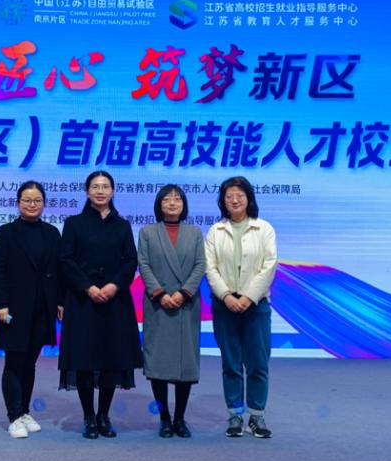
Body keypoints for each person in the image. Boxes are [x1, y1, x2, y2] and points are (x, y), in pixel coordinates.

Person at [58, 170, 142, 439]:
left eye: (105, 186)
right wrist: (89, 287)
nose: (100, 191)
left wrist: (114, 285)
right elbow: (66, 260)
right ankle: (88, 417)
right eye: (95, 186)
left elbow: (131, 261)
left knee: (110, 360)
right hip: (82, 300)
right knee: (84, 359)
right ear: (87, 192)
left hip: (115, 301)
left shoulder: (122, 225)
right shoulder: (74, 223)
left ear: (113, 191)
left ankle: (104, 415)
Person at [204, 176, 277, 439]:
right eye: (229, 196)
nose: (234, 200)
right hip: (225, 305)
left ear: (249, 198)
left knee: (257, 362)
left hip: (256, 305)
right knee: (231, 362)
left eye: (240, 195)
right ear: (222, 201)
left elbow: (269, 265)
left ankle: (256, 416)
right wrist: (226, 296)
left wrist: (248, 297)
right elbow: (210, 268)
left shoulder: (264, 228)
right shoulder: (215, 231)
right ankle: (234, 415)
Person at [0, 181, 62, 439]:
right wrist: (1, 303)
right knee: (14, 361)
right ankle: (13, 416)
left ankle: (24, 412)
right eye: (27, 200)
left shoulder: (52, 233)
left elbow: (59, 271)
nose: (32, 205)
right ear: (18, 203)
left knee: (30, 362)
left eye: (37, 200)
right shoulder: (7, 232)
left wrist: (60, 302)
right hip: (14, 308)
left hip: (42, 308)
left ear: (44, 203)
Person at [138, 184, 205, 438]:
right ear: (159, 204)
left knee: (185, 364)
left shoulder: (195, 233)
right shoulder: (147, 232)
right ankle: (164, 418)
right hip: (158, 304)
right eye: (167, 199)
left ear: (184, 205)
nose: (173, 203)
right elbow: (143, 264)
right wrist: (160, 293)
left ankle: (180, 418)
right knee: (158, 363)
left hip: (186, 304)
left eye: (178, 199)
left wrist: (183, 292)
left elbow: (200, 265)